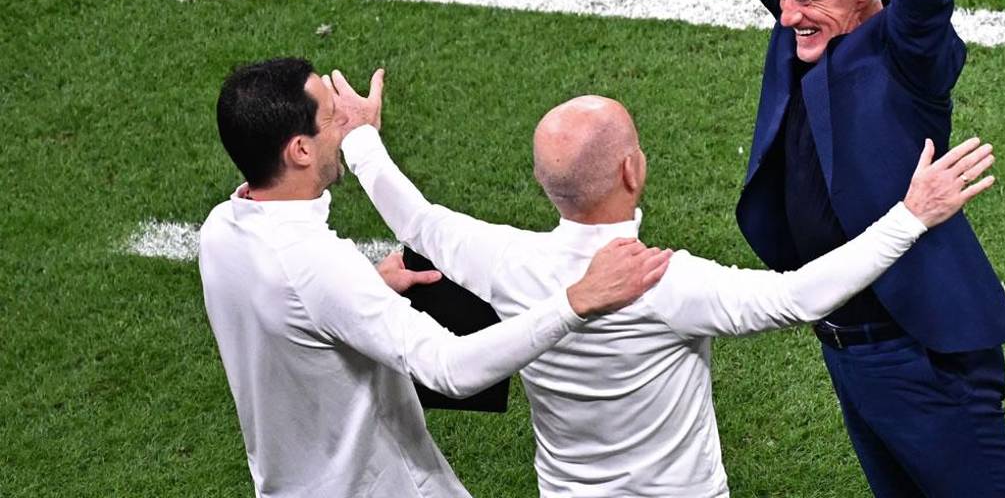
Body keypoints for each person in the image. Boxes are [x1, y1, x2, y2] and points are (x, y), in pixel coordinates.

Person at [607, 0, 1005, 497]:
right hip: (847, 348)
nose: (785, 13)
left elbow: (925, 8)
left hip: (921, 352)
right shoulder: (802, 21)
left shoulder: (906, 59)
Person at [330, 67, 996, 498]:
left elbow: (417, 219)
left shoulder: (504, 261)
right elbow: (798, 296)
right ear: (633, 171)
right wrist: (913, 214)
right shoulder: (664, 283)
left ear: (543, 183)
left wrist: (360, 139)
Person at [198, 57, 672, 498]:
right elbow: (450, 368)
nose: (343, 119)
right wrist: (575, 301)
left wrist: (366, 289)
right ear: (300, 150)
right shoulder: (317, 267)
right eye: (330, 116)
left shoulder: (222, 227)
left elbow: (291, 306)